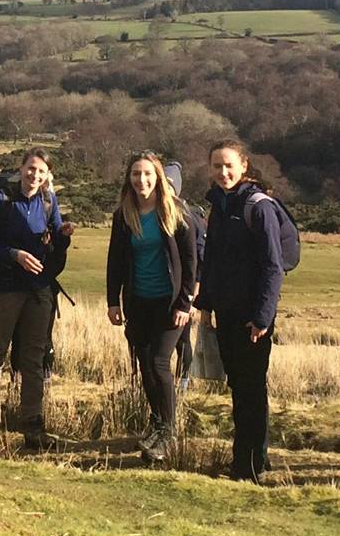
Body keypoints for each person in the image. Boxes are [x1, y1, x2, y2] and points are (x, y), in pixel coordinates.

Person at [0, 148, 72, 453]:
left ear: (47, 175)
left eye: (41, 172)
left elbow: (54, 242)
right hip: (5, 289)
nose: (35, 176)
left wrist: (64, 235)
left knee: (33, 360)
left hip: (38, 290)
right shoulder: (1, 200)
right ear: (21, 167)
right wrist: (13, 255)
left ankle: (33, 428)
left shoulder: (48, 200)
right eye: (31, 169)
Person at [195, 140, 284, 480]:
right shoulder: (219, 205)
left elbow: (273, 267)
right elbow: (214, 261)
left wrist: (262, 316)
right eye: (217, 166)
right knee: (239, 388)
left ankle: (250, 467)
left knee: (251, 389)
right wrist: (206, 306)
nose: (223, 172)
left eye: (229, 165)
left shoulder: (258, 206)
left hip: (253, 317)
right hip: (227, 312)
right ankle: (247, 459)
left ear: (244, 165)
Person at [106, 152, 200, 461]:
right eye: (135, 174)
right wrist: (112, 301)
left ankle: (168, 434)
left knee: (160, 363)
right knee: (145, 366)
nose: (141, 180)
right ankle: (157, 424)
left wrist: (186, 301)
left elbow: (190, 261)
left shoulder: (175, 211)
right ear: (129, 178)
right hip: (138, 301)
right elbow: (116, 260)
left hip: (170, 303)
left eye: (147, 174)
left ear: (158, 177)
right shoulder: (125, 214)